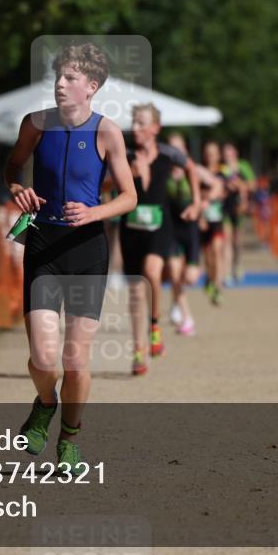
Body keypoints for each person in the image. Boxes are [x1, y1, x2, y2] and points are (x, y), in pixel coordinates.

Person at [4, 43, 136, 474]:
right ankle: (45, 404)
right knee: (43, 360)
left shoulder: (107, 132)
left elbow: (130, 197)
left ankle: (70, 439)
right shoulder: (35, 124)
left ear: (91, 87)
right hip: (43, 246)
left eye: (70, 78)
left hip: (86, 251)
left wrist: (95, 211)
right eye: (58, 76)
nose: (60, 84)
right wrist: (16, 187)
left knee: (75, 360)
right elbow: (13, 166)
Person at [120, 104, 201, 375]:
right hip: (131, 227)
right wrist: (127, 177)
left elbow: (191, 168)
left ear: (155, 128)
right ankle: (138, 350)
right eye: (133, 122)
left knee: (152, 272)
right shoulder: (125, 154)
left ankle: (155, 326)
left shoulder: (168, 154)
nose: (136, 128)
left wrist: (197, 203)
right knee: (134, 291)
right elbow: (104, 184)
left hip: (159, 224)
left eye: (142, 123)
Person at [165, 133, 208, 337]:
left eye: (178, 149)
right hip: (170, 229)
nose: (175, 153)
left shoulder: (195, 171)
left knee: (189, 277)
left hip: (190, 230)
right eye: (171, 148)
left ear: (185, 151)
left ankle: (175, 300)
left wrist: (203, 202)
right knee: (174, 273)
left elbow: (217, 185)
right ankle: (186, 316)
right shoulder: (162, 171)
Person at [220, 143, 256, 286]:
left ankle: (238, 265)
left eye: (230, 154)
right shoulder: (221, 167)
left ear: (236, 154)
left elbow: (253, 185)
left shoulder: (243, 166)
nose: (228, 157)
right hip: (225, 207)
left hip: (239, 207)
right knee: (226, 241)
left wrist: (240, 185)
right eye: (225, 154)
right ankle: (227, 272)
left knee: (237, 241)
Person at [198, 140, 226, 304]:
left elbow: (223, 191)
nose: (210, 156)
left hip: (218, 218)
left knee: (217, 251)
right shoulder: (199, 172)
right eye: (208, 153)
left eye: (213, 153)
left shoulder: (222, 172)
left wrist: (211, 194)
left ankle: (218, 286)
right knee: (208, 255)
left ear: (218, 156)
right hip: (203, 218)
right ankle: (209, 277)